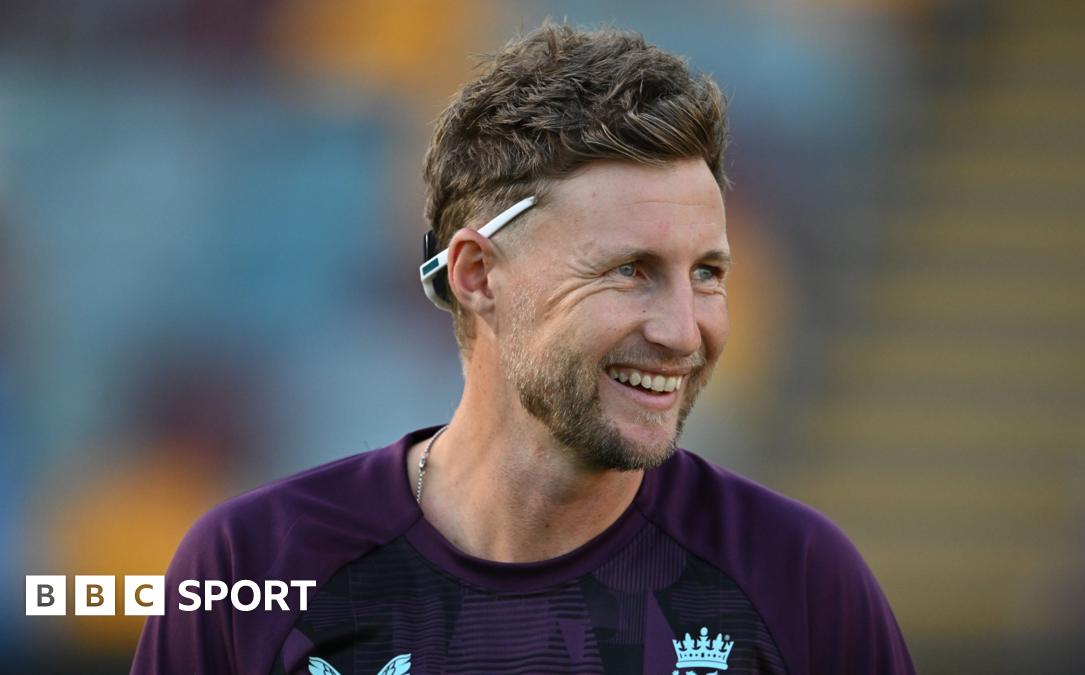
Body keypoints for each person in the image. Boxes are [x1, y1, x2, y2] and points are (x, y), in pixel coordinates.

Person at [133, 21, 915, 675]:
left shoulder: (800, 579)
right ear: (477, 275)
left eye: (707, 272)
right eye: (627, 270)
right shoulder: (249, 569)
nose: (685, 330)